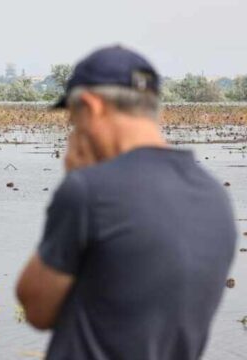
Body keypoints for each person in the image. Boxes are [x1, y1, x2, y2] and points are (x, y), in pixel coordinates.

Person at [16, 46, 236, 360]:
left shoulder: (89, 189)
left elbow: (36, 308)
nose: (74, 131)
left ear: (92, 107)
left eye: (74, 120)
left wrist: (75, 179)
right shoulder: (215, 196)